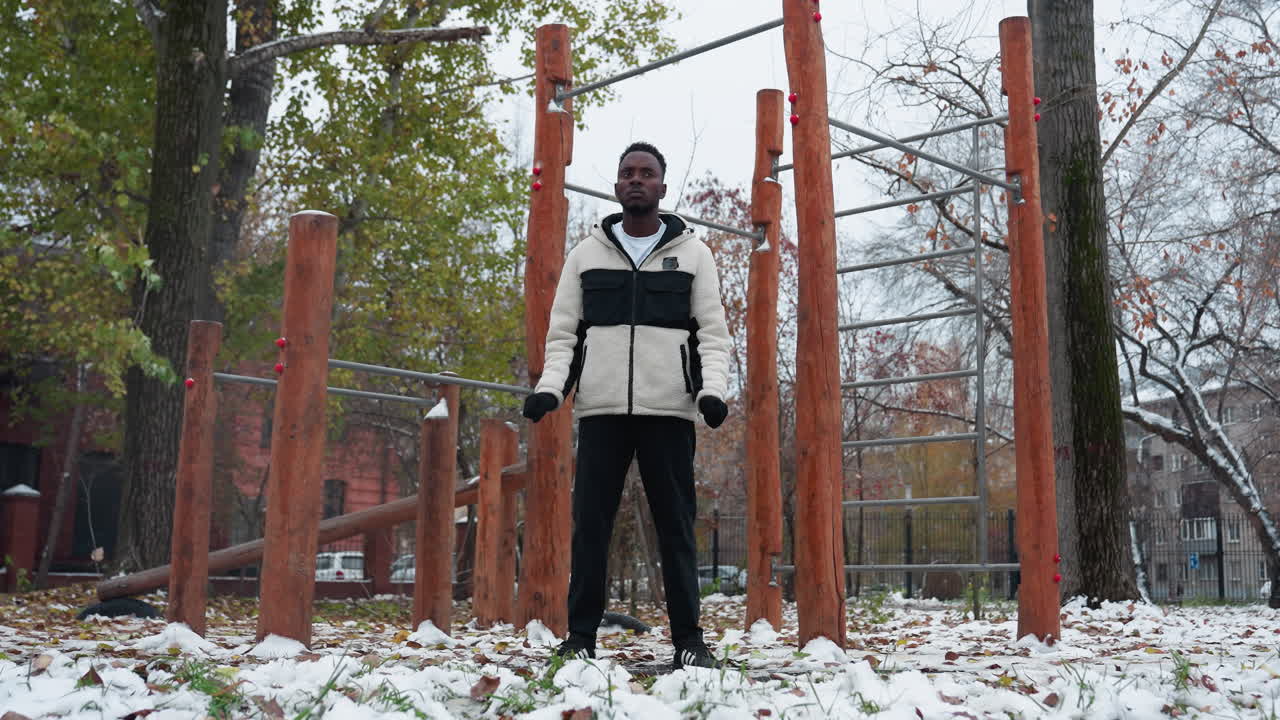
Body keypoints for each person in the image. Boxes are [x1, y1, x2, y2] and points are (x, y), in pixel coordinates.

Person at [522, 141, 732, 669]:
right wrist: (552, 388)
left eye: (646, 173)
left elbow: (713, 333)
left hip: (669, 413)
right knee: (589, 528)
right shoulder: (586, 255)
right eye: (627, 173)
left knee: (677, 530)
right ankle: (580, 639)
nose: (636, 179)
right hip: (602, 412)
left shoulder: (695, 254)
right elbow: (563, 332)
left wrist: (713, 391)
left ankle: (689, 641)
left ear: (662, 186)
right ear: (617, 186)